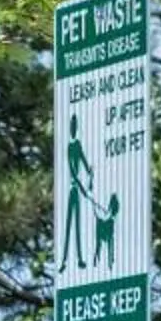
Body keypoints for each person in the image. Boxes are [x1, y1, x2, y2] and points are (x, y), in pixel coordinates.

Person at [62, 113, 94, 270]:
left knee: (78, 225)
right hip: (72, 189)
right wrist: (82, 187)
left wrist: (90, 174)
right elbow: (72, 171)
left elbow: (85, 163)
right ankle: (64, 261)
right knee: (68, 224)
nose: (73, 130)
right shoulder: (69, 146)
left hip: (78, 188)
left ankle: (80, 259)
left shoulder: (78, 145)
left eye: (75, 127)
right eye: (71, 127)